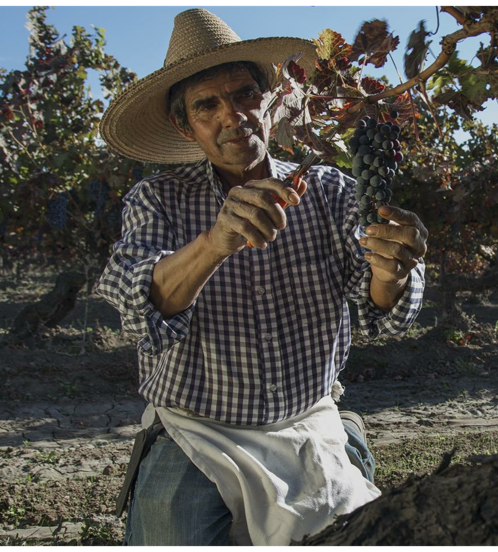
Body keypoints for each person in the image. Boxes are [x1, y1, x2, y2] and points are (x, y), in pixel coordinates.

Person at [96, 8, 428, 547]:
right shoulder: (159, 200)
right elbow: (137, 304)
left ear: (270, 101)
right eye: (208, 104)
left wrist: (392, 272)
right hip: (199, 430)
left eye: (246, 94)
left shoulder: (330, 192)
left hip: (308, 425)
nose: (234, 116)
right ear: (186, 125)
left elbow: (378, 312)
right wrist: (213, 242)